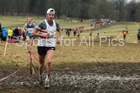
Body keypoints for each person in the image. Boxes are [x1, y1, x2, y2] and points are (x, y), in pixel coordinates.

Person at [31, 8, 61, 88]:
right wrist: (43, 35)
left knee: (49, 61)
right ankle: (40, 76)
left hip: (51, 45)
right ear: (46, 15)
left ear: (54, 15)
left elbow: (58, 30)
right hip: (42, 45)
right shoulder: (42, 23)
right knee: (41, 64)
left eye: (52, 15)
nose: (51, 16)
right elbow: (33, 33)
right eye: (49, 15)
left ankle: (47, 79)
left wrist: (59, 38)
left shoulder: (56, 23)